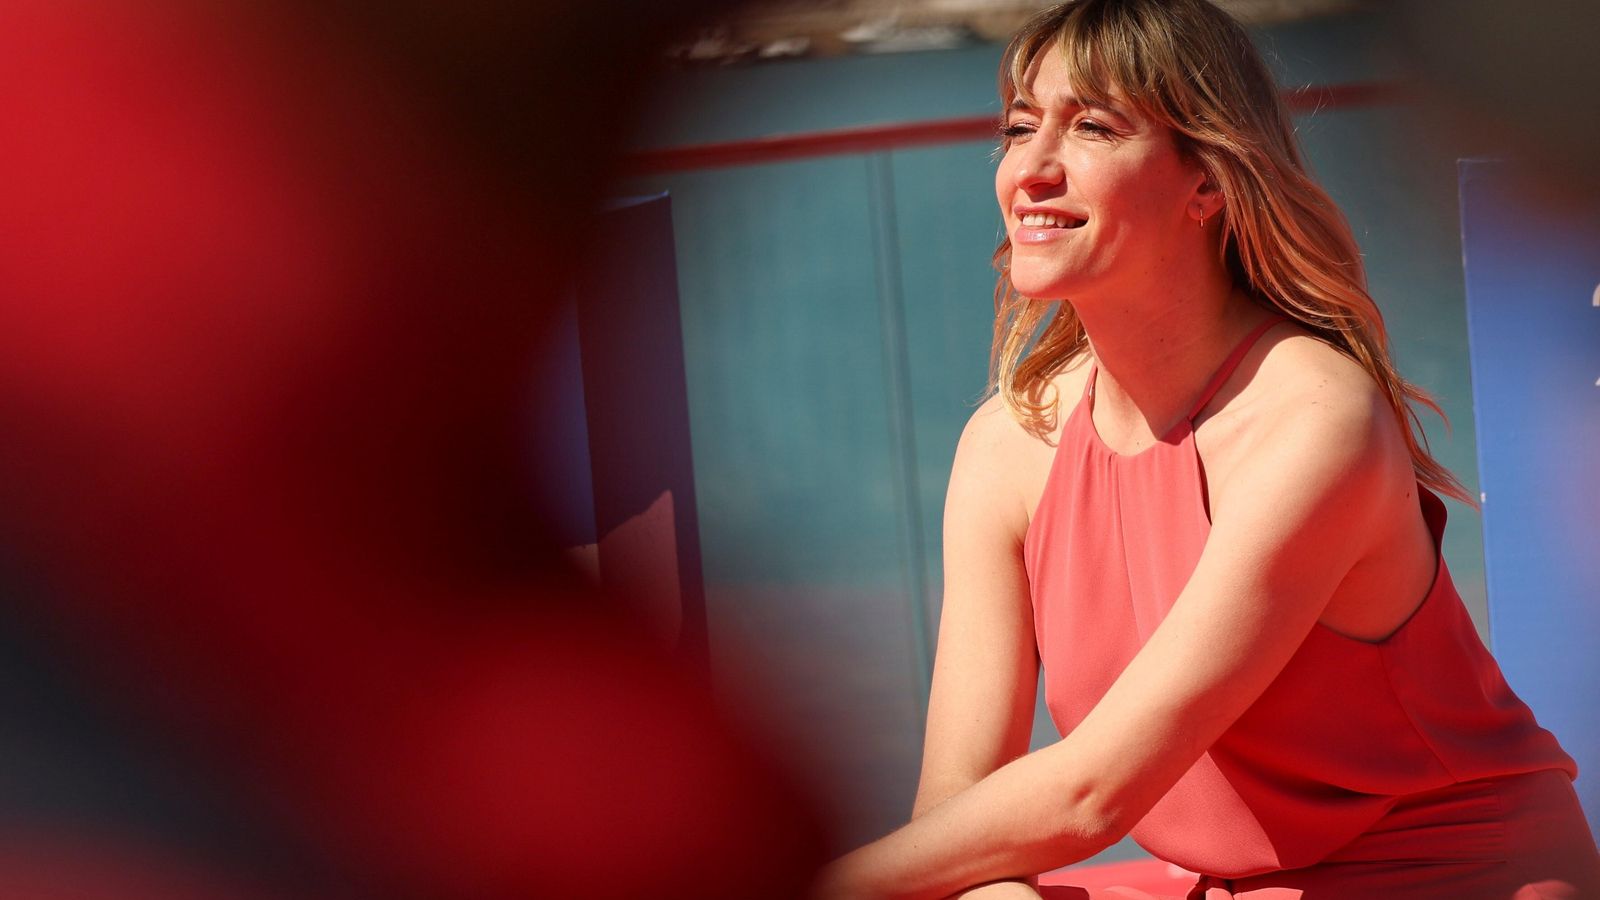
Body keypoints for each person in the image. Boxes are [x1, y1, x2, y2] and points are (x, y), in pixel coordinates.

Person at [808, 1, 1600, 897]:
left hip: (1452, 875)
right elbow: (953, 827)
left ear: (1209, 181)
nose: (1031, 169)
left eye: (1093, 127)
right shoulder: (1007, 444)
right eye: (1020, 129)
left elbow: (1090, 797)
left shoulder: (1312, 417)